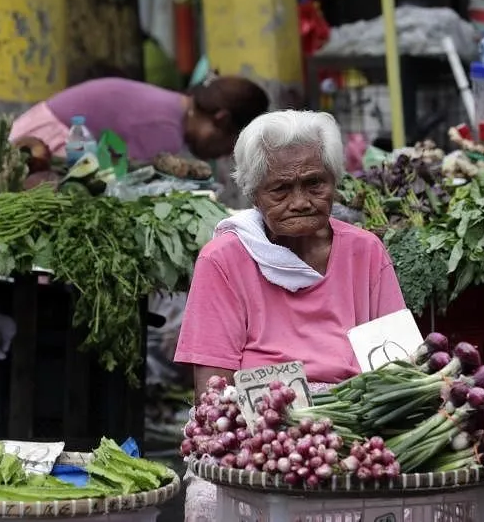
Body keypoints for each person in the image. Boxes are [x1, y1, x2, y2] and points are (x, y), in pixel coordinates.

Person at [173, 110, 407, 520]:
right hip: (256, 428)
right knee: (212, 502)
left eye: (314, 183)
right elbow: (212, 395)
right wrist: (280, 431)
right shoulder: (224, 259)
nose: (300, 202)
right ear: (254, 194)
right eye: (280, 188)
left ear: (334, 181)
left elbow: (399, 368)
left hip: (357, 423)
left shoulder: (365, 251)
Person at [8, 74, 269, 162]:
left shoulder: (174, 106)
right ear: (221, 120)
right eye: (230, 144)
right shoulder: (165, 129)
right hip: (46, 145)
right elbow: (130, 185)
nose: (225, 154)